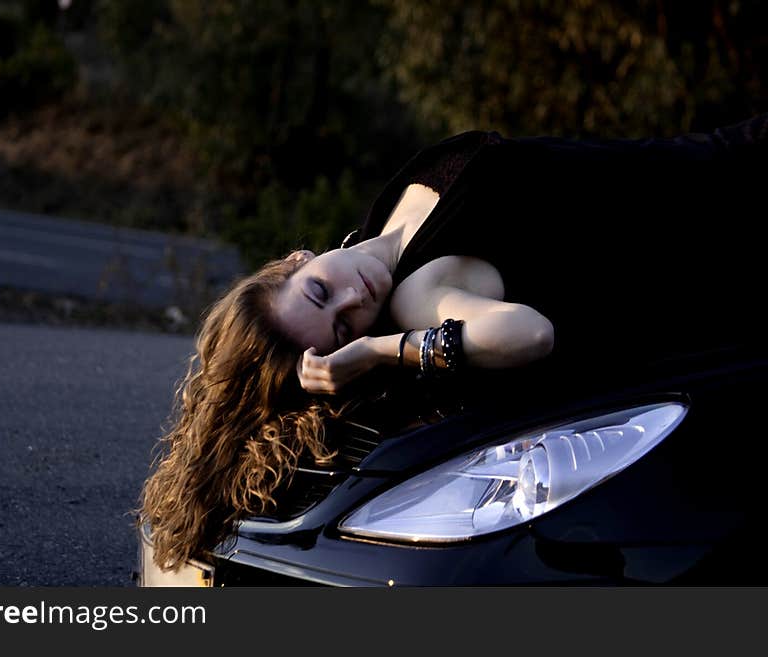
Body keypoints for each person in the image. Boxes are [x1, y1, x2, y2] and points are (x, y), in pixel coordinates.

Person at [140, 113, 767, 572]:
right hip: (728, 214)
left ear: (296, 260)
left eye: (318, 292)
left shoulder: (383, 218)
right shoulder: (419, 296)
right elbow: (531, 333)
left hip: (717, 158)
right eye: (342, 328)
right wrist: (380, 351)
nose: (353, 302)